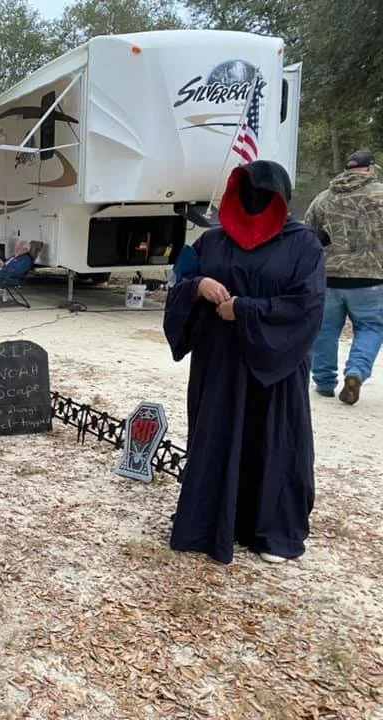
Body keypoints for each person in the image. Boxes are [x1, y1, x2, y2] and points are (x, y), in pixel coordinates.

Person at [163, 160, 326, 565]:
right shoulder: (213, 241)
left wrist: (246, 310)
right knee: (217, 437)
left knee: (274, 442)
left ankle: (272, 530)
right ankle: (209, 521)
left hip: (275, 368)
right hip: (219, 365)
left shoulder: (302, 244)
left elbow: (307, 305)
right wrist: (197, 286)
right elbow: (178, 284)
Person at [304, 150, 383, 405]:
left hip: (329, 278)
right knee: (371, 327)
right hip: (371, 278)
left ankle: (325, 382)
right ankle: (356, 372)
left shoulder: (323, 198)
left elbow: (308, 234)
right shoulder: (380, 195)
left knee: (325, 330)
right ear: (370, 169)